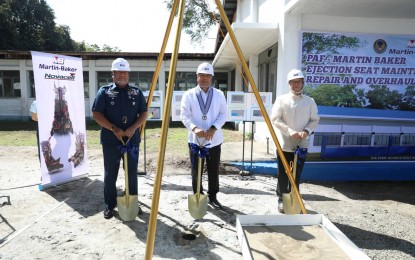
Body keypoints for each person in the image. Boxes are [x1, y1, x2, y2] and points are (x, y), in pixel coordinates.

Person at [92, 58, 148, 219]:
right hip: (111, 140)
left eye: (125, 72)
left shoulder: (136, 92)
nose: (122, 75)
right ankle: (109, 205)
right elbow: (97, 114)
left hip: (131, 139)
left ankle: (132, 201)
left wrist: (132, 128)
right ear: (113, 74)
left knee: (131, 172)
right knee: (111, 173)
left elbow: (143, 113)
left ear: (128, 74)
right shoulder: (104, 91)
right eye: (119, 72)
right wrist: (113, 128)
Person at [270, 69, 319, 213]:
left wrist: (306, 131)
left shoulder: (310, 101)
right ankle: (281, 199)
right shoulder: (281, 99)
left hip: (302, 144)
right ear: (289, 84)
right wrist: (290, 131)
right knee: (284, 173)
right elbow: (275, 119)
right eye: (293, 82)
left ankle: (295, 197)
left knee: (297, 173)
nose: (296, 85)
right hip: (285, 144)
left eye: (298, 82)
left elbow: (315, 120)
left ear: (302, 83)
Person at [180, 62, 228, 209]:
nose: (205, 78)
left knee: (213, 170)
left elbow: (223, 114)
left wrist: (214, 128)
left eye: (208, 75)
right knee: (196, 170)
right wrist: (194, 128)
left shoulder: (219, 94)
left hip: (214, 140)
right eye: (202, 75)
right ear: (197, 77)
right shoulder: (188, 95)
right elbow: (184, 115)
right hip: (195, 140)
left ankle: (213, 196)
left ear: (212, 77)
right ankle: (198, 196)